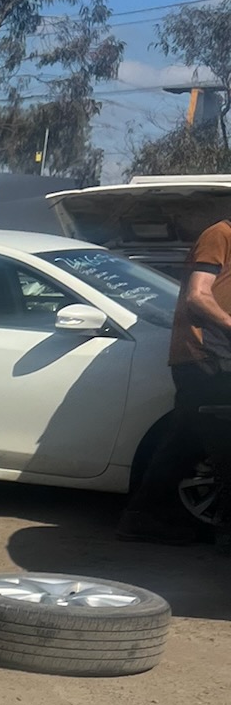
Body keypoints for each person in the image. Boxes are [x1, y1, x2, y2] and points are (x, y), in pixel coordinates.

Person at [119, 215, 231, 546]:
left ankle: (142, 517)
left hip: (216, 357)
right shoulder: (220, 234)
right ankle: (226, 530)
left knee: (183, 439)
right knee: (224, 443)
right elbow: (197, 296)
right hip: (205, 356)